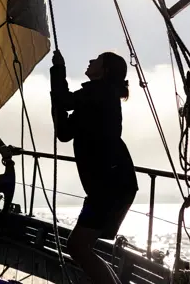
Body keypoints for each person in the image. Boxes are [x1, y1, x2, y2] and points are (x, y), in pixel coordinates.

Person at [50, 50, 138, 284]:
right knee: (80, 247)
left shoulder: (101, 91)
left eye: (96, 60)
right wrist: (56, 105)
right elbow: (65, 133)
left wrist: (58, 69)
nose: (90, 61)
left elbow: (65, 101)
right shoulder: (96, 97)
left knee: (78, 247)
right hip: (111, 186)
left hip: (110, 187)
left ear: (105, 70)